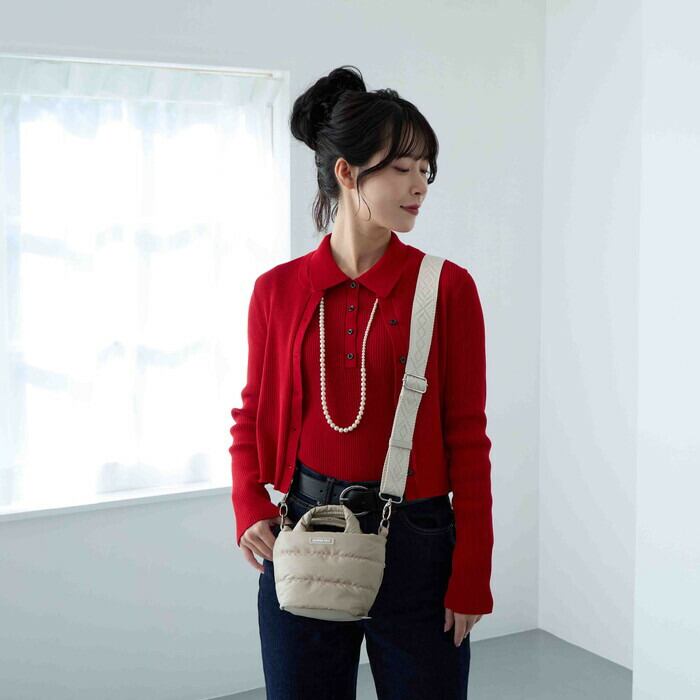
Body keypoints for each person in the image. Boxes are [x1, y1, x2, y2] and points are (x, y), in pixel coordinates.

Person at [229, 65, 494, 700]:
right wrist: (248, 504)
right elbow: (252, 411)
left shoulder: (448, 288)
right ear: (348, 173)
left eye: (426, 168)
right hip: (305, 531)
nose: (419, 184)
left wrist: (472, 573)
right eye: (401, 168)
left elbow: (468, 438)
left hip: (419, 549)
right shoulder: (277, 291)